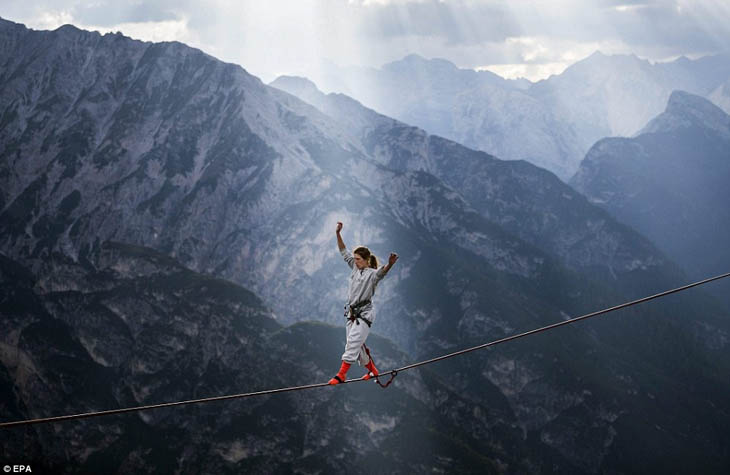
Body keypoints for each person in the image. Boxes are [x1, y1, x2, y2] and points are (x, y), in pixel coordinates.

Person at [329, 221, 399, 385]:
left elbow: (382, 272)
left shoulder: (372, 275)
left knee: (353, 343)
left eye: (359, 259)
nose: (356, 261)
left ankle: (341, 375)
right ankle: (373, 371)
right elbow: (343, 251)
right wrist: (338, 233)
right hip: (352, 314)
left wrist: (390, 263)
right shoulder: (354, 267)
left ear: (367, 260)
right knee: (358, 348)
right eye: (355, 259)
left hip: (365, 314)